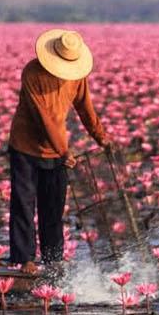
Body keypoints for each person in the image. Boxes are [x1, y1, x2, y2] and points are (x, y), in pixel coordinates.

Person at [6, 28, 112, 270]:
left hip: (57, 152)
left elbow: (85, 108)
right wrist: (64, 151)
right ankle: (25, 261)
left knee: (53, 209)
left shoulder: (76, 75)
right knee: (23, 204)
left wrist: (101, 137)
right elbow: (43, 118)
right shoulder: (32, 73)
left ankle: (53, 262)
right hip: (26, 147)